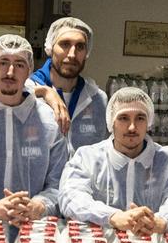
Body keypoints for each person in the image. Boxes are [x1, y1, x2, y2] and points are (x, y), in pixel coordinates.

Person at [0, 34, 71, 225]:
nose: (10, 71)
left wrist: (39, 205)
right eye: (3, 62)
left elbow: (60, 183)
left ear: (29, 72)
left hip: (32, 229)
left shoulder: (49, 121)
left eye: (19, 64)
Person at [59, 87, 168, 234]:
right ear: (111, 122)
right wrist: (112, 216)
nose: (132, 127)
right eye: (123, 118)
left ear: (149, 122)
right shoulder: (87, 157)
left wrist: (160, 221)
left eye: (140, 118)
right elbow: (70, 197)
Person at [28, 16, 109, 149]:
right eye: (65, 44)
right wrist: (43, 91)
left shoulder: (97, 99)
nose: (72, 54)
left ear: (86, 53)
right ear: (50, 48)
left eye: (80, 46)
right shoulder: (26, 89)